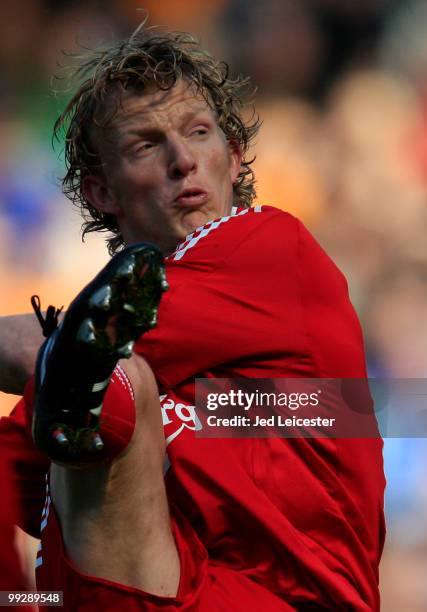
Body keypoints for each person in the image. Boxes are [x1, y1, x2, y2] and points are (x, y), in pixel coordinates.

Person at [0, 24, 385, 610]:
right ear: (101, 191)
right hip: (137, 586)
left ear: (233, 159)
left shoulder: (271, 248)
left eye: (199, 134)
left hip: (272, 601)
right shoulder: (103, 352)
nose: (184, 161)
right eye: (147, 145)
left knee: (115, 383)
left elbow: (28, 348)